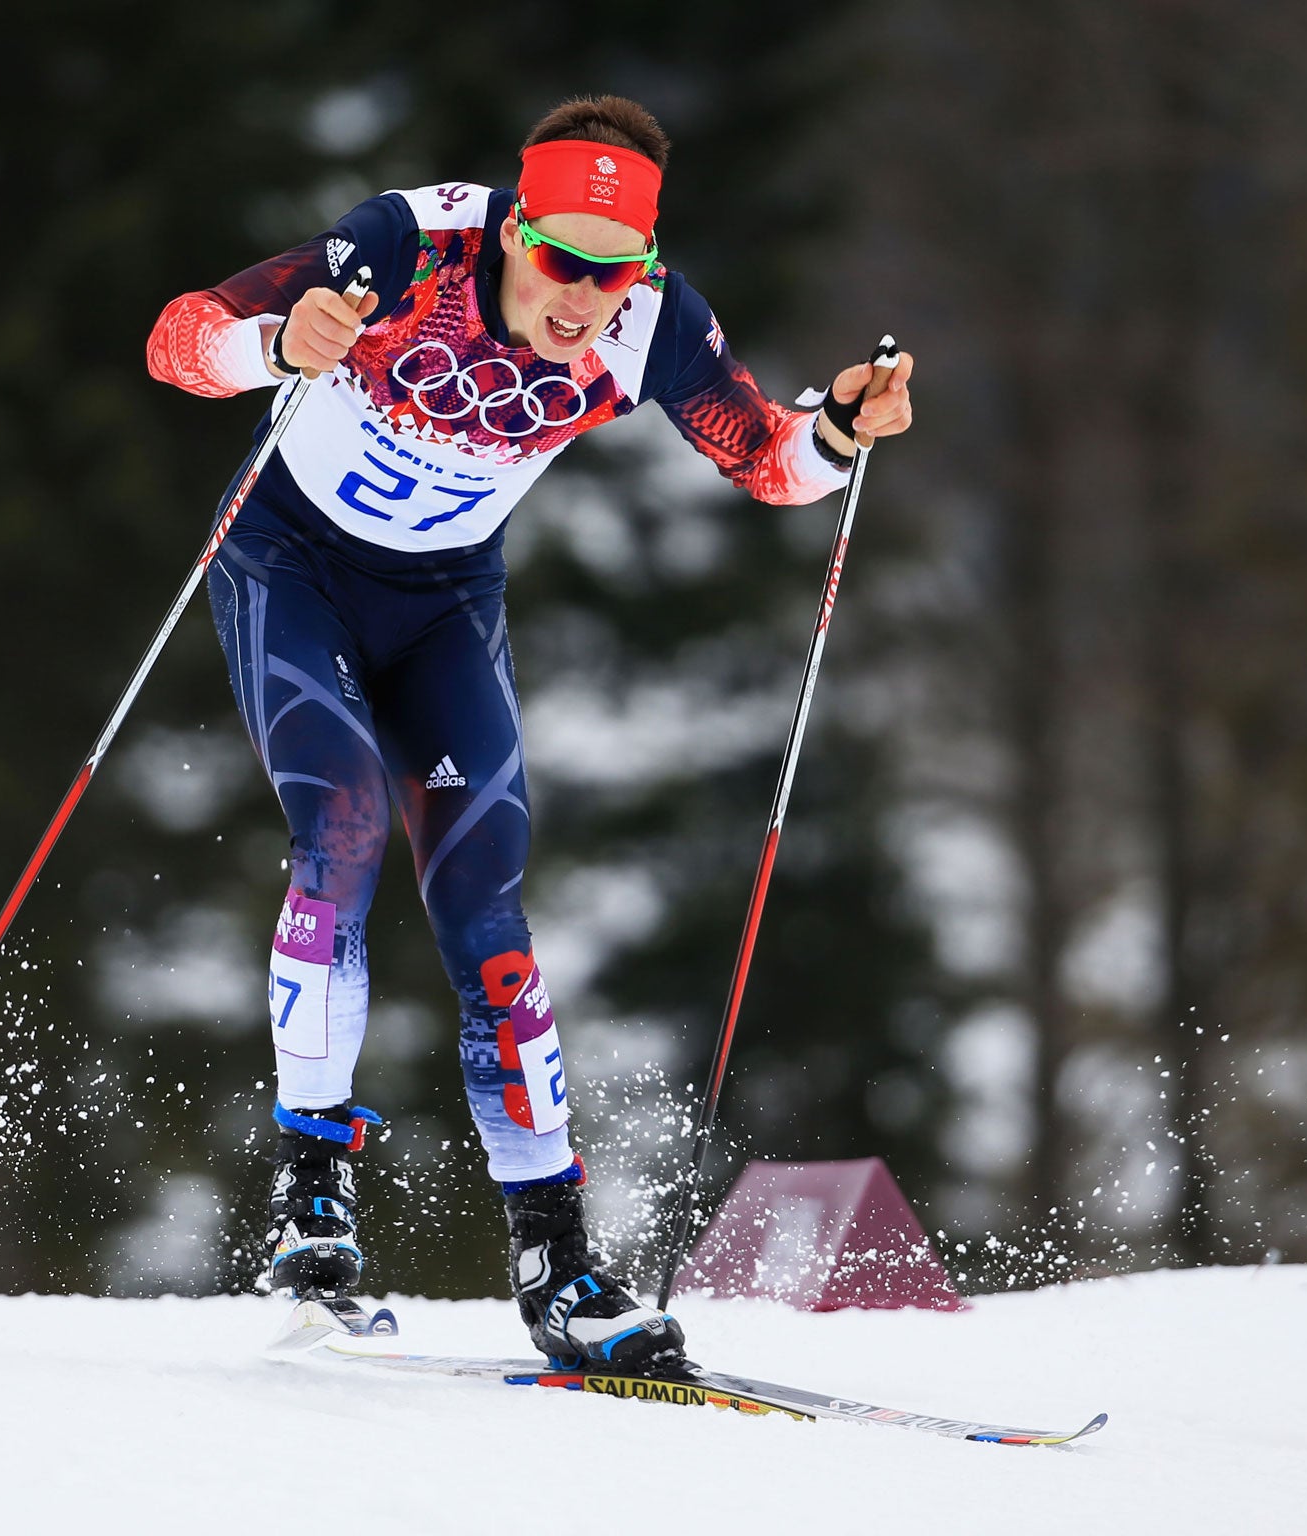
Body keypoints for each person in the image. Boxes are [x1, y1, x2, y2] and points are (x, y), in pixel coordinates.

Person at [145, 94, 913, 1371]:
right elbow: (179, 340)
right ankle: (310, 1182)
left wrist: (838, 428)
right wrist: (278, 344)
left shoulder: (651, 319)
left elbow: (766, 460)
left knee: (485, 904)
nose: (581, 298)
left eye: (612, 271)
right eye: (560, 259)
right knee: (337, 823)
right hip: (289, 565)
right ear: (511, 229)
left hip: (445, 599)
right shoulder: (405, 244)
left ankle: (558, 1261)